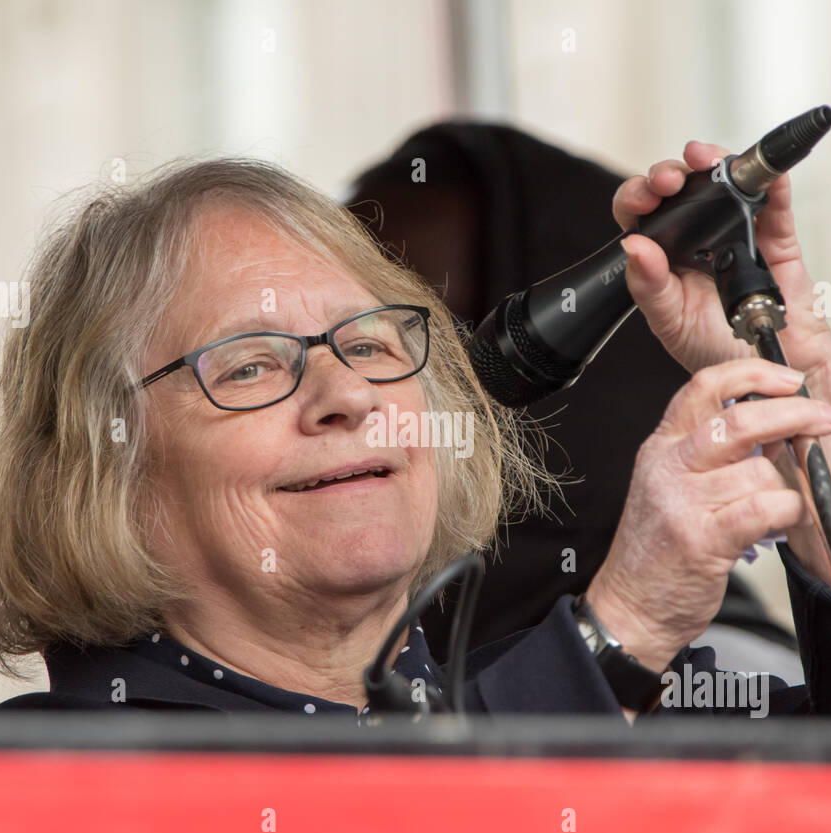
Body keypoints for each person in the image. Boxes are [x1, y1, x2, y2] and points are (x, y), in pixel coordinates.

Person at [0, 146, 831, 768]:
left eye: (373, 342)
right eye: (250, 366)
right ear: (105, 465)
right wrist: (619, 633)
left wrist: (799, 381)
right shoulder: (46, 774)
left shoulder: (532, 703)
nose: (344, 394)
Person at [343, 122, 801, 681]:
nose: (353, 392)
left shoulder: (728, 677)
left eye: (430, 329)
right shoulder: (368, 671)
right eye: (363, 339)